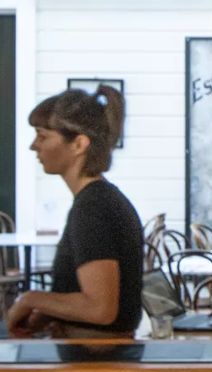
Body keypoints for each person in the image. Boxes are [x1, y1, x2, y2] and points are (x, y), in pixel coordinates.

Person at [7, 86, 142, 338]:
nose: (33, 146)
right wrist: (47, 313)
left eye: (42, 136)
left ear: (79, 144)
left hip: (96, 361)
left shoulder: (93, 207)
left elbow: (101, 308)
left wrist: (30, 299)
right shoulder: (102, 199)